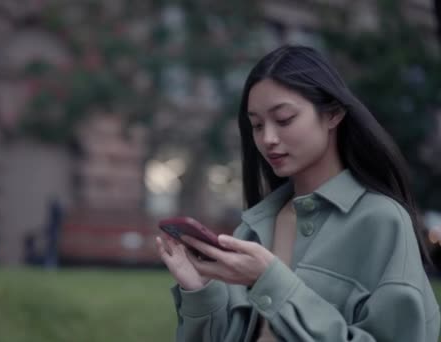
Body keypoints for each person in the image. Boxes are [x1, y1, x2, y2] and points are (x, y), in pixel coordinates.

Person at [156, 45, 440, 341]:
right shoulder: (253, 229)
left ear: (333, 114)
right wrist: (199, 292)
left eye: (284, 119)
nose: (268, 139)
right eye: (256, 125)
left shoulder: (382, 221)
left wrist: (270, 280)